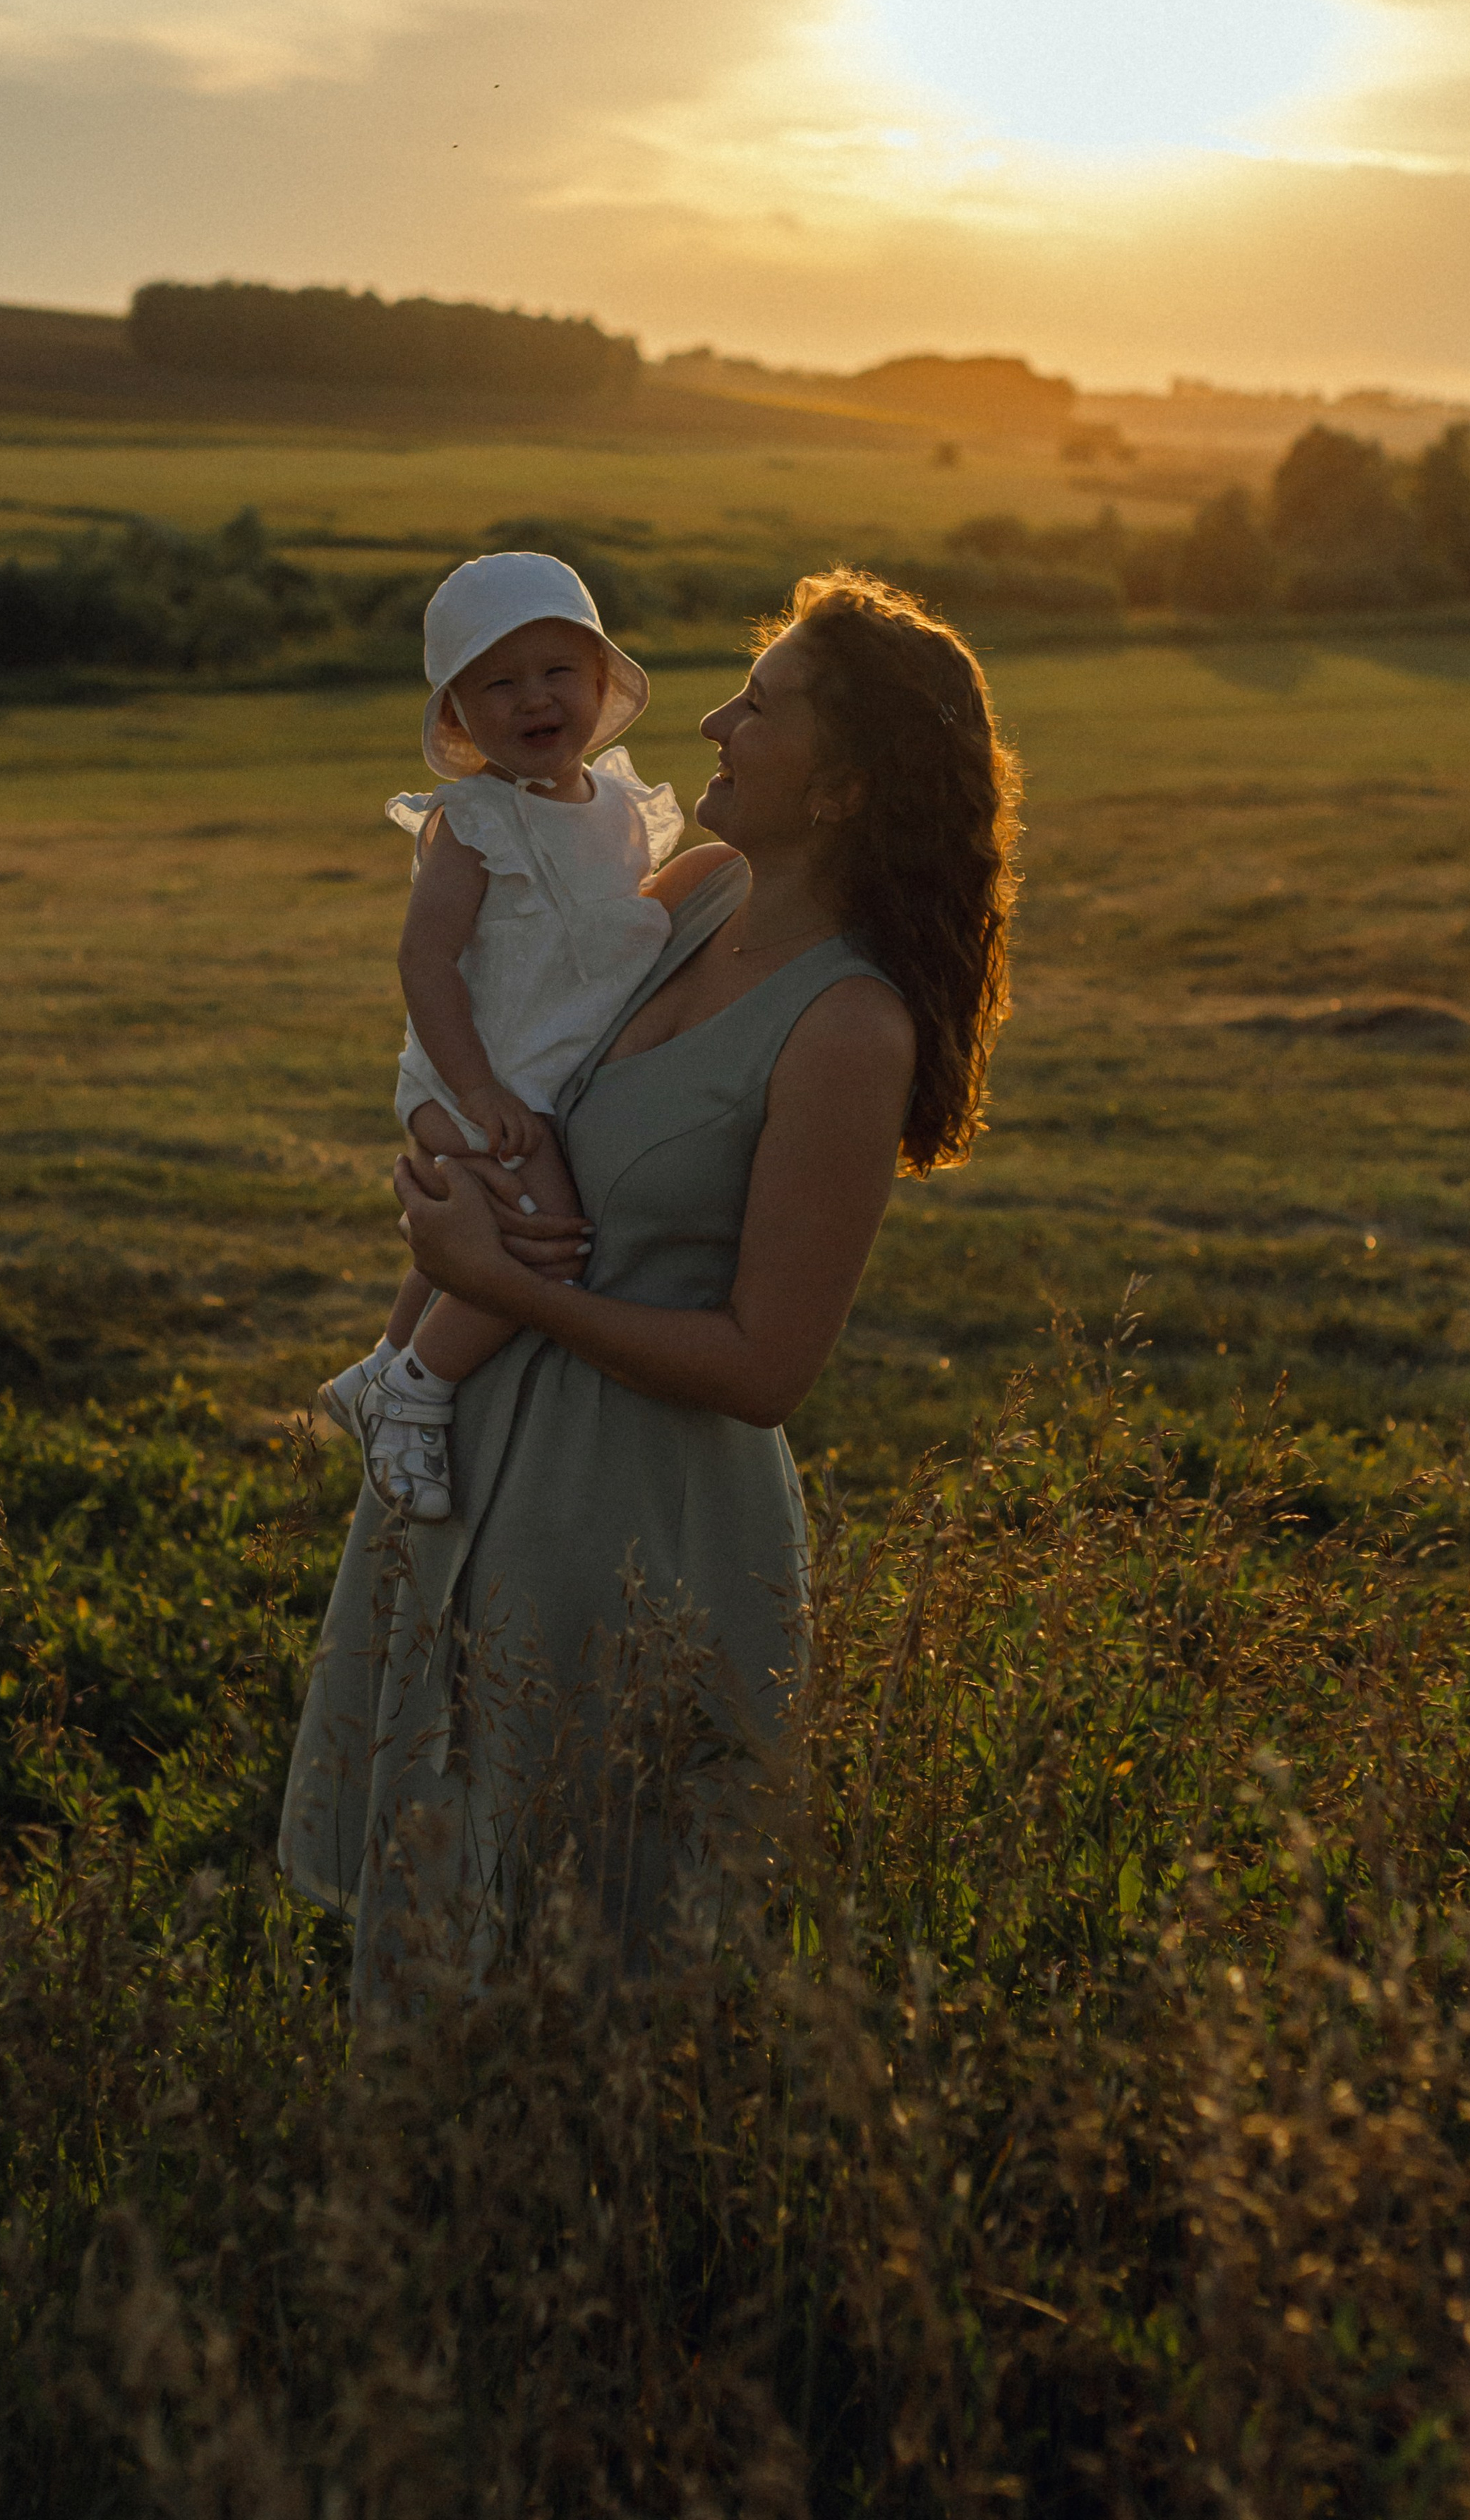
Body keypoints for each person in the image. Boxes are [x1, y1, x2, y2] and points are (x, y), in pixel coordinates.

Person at [279, 569, 1019, 2000]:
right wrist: (440, 1159)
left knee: (590, 1977)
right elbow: (505, 1041)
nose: (712, 717)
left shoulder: (848, 1025)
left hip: (634, 1534)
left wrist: (496, 1278)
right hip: (476, 1475)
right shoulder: (686, 891)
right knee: (435, 1948)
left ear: (849, 784)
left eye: (762, 700)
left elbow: (762, 1369)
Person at [317, 550, 685, 1522]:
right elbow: (425, 962)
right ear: (458, 718)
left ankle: (382, 1365)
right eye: (497, 681)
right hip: (480, 1081)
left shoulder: (620, 810)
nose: (534, 698)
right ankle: (418, 1390)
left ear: (602, 683)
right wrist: (477, 1091)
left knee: (482, 1219)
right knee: (547, 1243)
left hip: (555, 1082)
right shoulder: (472, 821)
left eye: (558, 670)